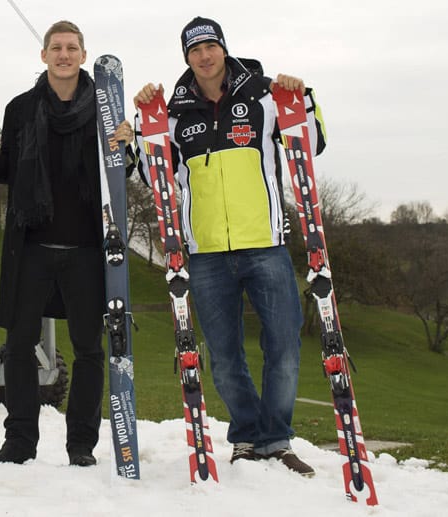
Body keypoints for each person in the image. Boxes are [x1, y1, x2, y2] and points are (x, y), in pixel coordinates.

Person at [133, 16, 326, 477]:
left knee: (283, 346)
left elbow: (312, 144)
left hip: (265, 244)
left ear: (223, 49)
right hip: (205, 253)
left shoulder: (264, 95)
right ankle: (246, 437)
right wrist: (140, 128)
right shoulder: (173, 112)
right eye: (194, 50)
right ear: (187, 57)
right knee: (223, 355)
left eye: (210, 47)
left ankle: (276, 440)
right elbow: (152, 176)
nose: (204, 56)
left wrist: (305, 98)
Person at [0, 20, 134, 467]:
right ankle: (19, 442)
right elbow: (9, 169)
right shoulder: (20, 109)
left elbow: (119, 173)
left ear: (82, 54)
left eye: (72, 47)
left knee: (89, 348)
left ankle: (81, 446)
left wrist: (129, 147)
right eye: (56, 47)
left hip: (87, 250)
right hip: (31, 247)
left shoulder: (104, 112)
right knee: (18, 345)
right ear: (44, 55)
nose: (63, 54)